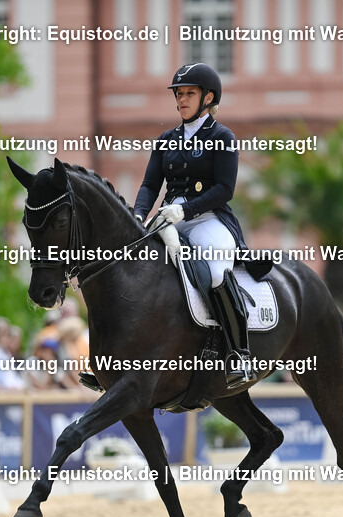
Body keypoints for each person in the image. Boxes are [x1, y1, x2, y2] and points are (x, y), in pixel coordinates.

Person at [133, 62, 255, 388]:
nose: (182, 99)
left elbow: (224, 189)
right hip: (166, 221)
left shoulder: (222, 136)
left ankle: (238, 354)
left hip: (207, 219)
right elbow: (149, 186)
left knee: (215, 272)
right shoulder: (166, 138)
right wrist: (137, 215)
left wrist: (185, 210)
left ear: (208, 97)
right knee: (134, 268)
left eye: (189, 93)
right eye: (179, 94)